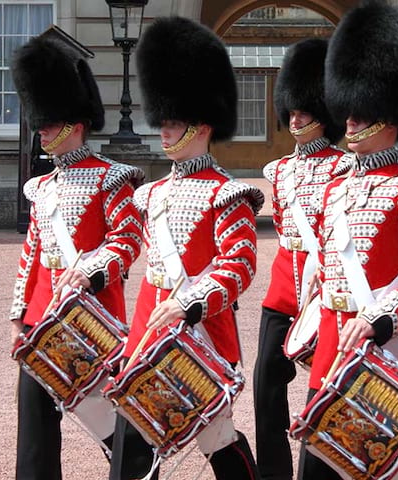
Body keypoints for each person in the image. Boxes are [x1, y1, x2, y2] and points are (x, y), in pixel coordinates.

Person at [298, 1, 398, 479]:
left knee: (397, 465)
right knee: (320, 465)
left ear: (389, 115)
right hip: (333, 345)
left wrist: (381, 318)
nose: (347, 121)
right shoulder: (332, 186)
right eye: (347, 109)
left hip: (391, 347)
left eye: (360, 111)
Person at [107, 16, 263, 480]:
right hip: (149, 329)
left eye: (173, 122)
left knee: (217, 440)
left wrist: (188, 303)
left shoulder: (227, 193)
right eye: (164, 121)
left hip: (203, 335)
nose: (164, 130)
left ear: (200, 125)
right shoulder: (148, 194)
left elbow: (238, 266)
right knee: (133, 440)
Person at [9, 36, 144, 480]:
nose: (41, 130)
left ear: (75, 123)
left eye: (48, 123)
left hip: (91, 321)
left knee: (108, 426)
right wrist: (19, 317)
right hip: (41, 321)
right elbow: (32, 255)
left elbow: (126, 241)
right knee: (35, 432)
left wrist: (88, 272)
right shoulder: (43, 187)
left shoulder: (112, 178)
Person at [253, 38, 349, 480]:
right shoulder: (278, 170)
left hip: (325, 286)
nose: (295, 118)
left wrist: (327, 278)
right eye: (291, 109)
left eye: (305, 110)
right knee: (266, 384)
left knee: (324, 386)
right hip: (283, 286)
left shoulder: (345, 168)